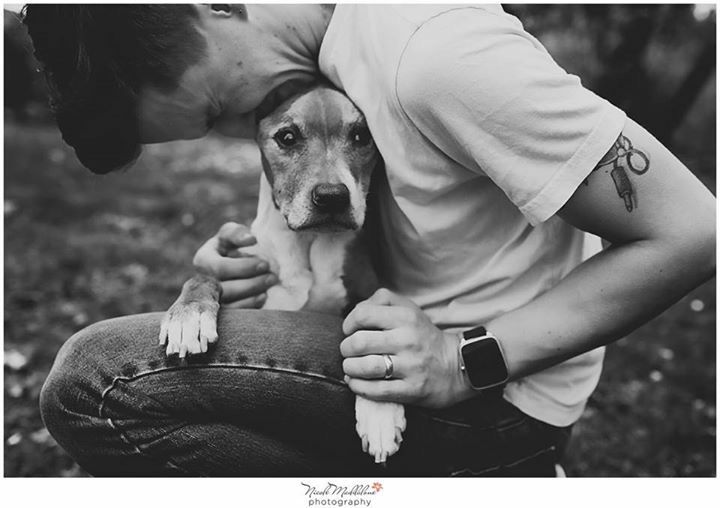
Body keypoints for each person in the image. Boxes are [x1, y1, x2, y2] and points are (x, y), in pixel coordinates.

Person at [25, 4, 715, 477]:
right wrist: (251, 262)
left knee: (96, 380)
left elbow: (693, 232)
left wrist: (463, 358)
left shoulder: (436, 53)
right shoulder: (316, 65)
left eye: (214, 111)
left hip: (491, 397)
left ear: (218, 4)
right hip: (377, 343)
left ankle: (493, 475)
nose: (244, 134)